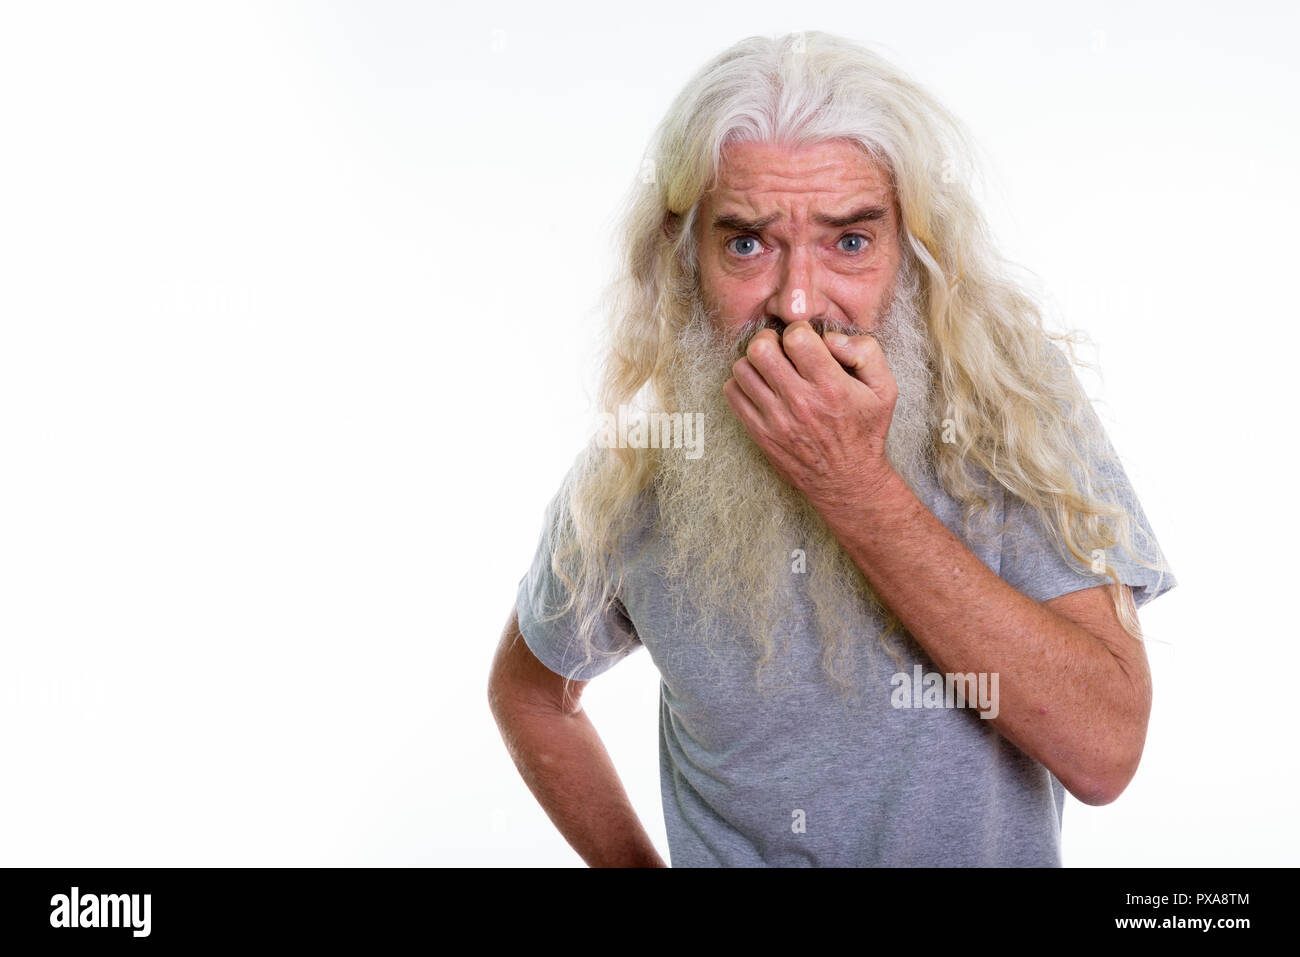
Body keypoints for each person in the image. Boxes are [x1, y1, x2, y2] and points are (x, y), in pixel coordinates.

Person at [487, 30, 1176, 867]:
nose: (800, 303)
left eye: (850, 241)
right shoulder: (641, 460)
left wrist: (856, 487)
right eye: (746, 243)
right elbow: (529, 694)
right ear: (684, 257)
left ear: (913, 254)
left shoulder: (1012, 409)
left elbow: (1106, 751)